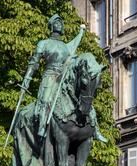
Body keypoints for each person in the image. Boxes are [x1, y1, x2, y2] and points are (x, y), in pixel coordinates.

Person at [21, 14, 107, 143]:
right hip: (50, 76)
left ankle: (95, 129)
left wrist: (81, 32)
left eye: (61, 23)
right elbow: (34, 63)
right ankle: (42, 127)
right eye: (56, 22)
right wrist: (27, 79)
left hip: (65, 77)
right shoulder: (43, 43)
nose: (59, 24)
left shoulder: (66, 47)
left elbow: (76, 41)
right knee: (46, 99)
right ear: (51, 26)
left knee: (83, 97)